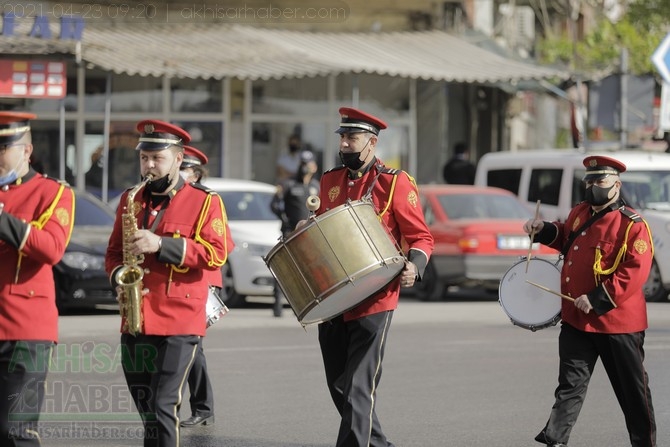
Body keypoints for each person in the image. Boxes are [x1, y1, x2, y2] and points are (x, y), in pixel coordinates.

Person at [105, 120, 231, 447]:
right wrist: (119, 277)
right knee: (147, 411)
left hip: (179, 319)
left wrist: (161, 245)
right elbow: (114, 252)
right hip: (136, 319)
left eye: (157, 158)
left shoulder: (205, 201)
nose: (148, 165)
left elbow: (216, 254)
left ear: (178, 159)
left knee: (163, 405)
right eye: (144, 158)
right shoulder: (129, 200)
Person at [312, 107, 434, 447]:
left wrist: (415, 265)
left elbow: (422, 237)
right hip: (334, 296)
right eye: (343, 138)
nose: (345, 145)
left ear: (372, 143)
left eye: (353, 138)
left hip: (375, 297)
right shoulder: (330, 180)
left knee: (357, 388)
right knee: (339, 385)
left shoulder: (395, 182)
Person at [523, 155, 656, 447]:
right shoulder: (580, 213)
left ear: (616, 185)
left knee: (632, 392)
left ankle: (644, 443)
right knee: (569, 386)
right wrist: (541, 229)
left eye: (600, 180)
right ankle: (555, 440)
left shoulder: (632, 225)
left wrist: (597, 299)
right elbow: (568, 237)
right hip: (576, 319)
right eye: (589, 180)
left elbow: (635, 271)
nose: (593, 185)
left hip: (617, 325)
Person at [0, 111, 75, 446]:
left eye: (3, 148)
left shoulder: (52, 193)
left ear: (26, 151)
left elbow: (51, 248)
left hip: (24, 329)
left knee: (15, 431)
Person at [177, 145, 231, 428]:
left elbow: (220, 247)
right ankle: (198, 406)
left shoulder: (206, 199)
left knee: (192, 346)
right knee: (189, 347)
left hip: (205, 281)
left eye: (184, 167)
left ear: (196, 173)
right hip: (179, 284)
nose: (179, 172)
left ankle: (202, 407)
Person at [270, 149, 320, 317]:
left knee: (307, 269)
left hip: (308, 234)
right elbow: (275, 204)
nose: (306, 168)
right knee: (285, 268)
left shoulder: (316, 186)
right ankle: (277, 304)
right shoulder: (289, 184)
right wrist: (285, 221)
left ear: (314, 166)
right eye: (303, 164)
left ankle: (303, 305)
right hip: (290, 231)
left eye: (309, 164)